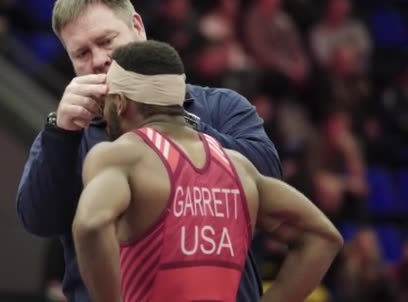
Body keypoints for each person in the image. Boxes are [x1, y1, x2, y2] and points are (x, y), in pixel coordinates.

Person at [16, 0, 282, 302]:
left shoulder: (221, 107)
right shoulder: (67, 134)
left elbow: (268, 182)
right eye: (82, 53)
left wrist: (166, 116)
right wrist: (60, 134)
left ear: (137, 28)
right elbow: (39, 220)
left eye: (106, 41)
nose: (98, 60)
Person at [72, 40, 343, 302]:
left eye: (106, 103)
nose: (103, 115)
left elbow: (90, 223)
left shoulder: (121, 156)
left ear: (120, 104)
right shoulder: (238, 167)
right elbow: (322, 237)